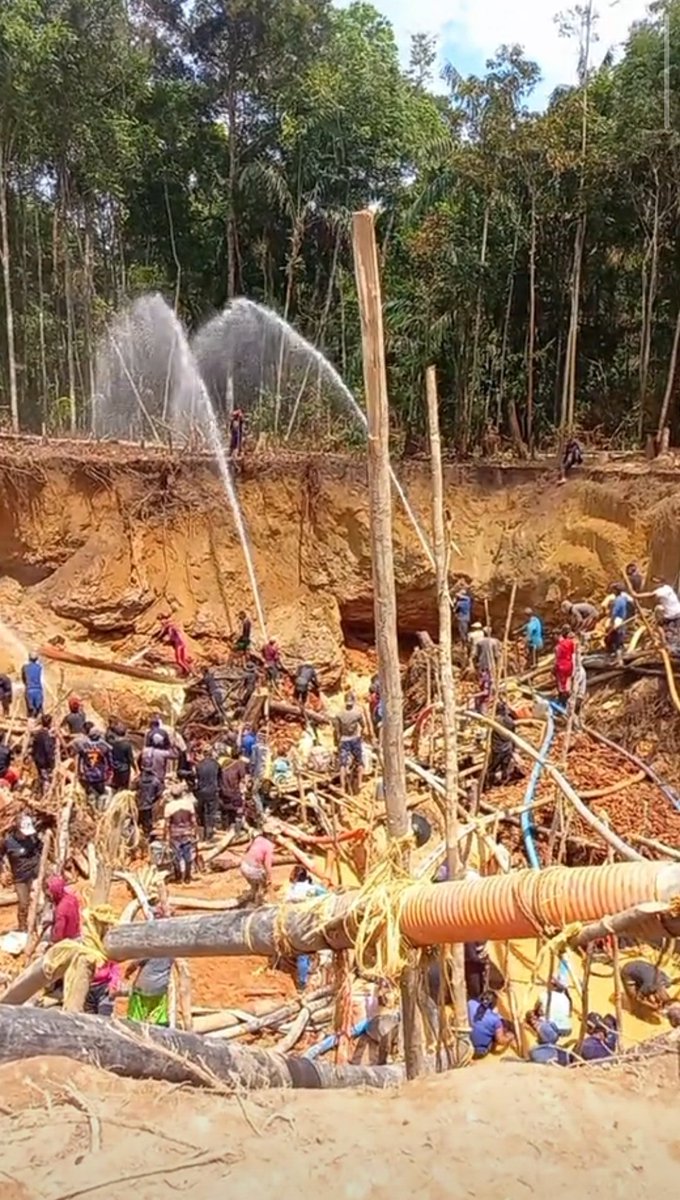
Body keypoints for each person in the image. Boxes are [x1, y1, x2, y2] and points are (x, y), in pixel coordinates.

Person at [0, 813, 42, 931]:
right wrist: (2, 872)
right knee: (24, 904)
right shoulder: (8, 842)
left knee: (38, 902)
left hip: (35, 874)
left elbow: (41, 849)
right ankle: (23, 927)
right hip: (20, 877)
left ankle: (37, 926)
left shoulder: (33, 838)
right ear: (18, 830)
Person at [163, 782, 197, 884]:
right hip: (187, 832)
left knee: (176, 856)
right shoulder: (189, 804)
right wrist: (195, 832)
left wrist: (166, 836)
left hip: (175, 834)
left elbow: (167, 824)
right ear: (182, 793)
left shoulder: (169, 806)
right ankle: (187, 876)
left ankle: (178, 877)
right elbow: (194, 820)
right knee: (188, 854)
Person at [334, 691, 366, 794]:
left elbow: (337, 731)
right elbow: (363, 726)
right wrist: (361, 736)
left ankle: (343, 787)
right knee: (359, 761)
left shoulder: (339, 715)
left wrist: (338, 743)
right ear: (353, 701)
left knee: (343, 764)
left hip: (344, 740)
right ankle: (360, 783)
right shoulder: (357, 713)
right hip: (355, 739)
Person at [467, 991, 513, 1058]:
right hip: (478, 1051)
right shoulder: (495, 1019)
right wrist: (509, 1038)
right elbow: (500, 1040)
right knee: (496, 1029)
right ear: (494, 1004)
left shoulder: (470, 1003)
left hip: (466, 1045)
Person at [77, 728, 112, 806]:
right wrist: (110, 770)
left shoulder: (84, 745)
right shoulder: (103, 745)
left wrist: (79, 771)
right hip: (100, 774)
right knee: (101, 794)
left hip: (88, 774)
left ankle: (91, 812)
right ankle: (99, 812)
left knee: (90, 794)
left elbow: (79, 758)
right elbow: (109, 758)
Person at [486, 701, 516, 788]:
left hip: (497, 748)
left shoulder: (495, 721)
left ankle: (489, 785)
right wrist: (513, 748)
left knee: (491, 768)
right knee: (504, 767)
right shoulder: (511, 721)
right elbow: (513, 736)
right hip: (507, 747)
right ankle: (504, 782)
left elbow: (488, 733)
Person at [240, 832, 275, 905]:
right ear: (269, 835)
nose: (275, 838)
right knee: (262, 883)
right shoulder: (269, 846)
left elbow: (247, 848)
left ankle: (252, 893)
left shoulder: (258, 838)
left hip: (243, 865)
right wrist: (269, 878)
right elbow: (267, 864)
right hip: (251, 870)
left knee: (254, 883)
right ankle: (258, 902)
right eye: (274, 836)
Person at [133, 754, 163, 838]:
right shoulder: (155, 780)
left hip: (138, 805)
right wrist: (153, 800)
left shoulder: (138, 780)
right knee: (148, 825)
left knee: (136, 824)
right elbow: (159, 793)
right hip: (149, 805)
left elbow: (133, 789)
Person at [45, 875, 81, 944]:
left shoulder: (61, 909)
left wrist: (53, 943)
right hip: (77, 935)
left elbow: (59, 933)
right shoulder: (72, 898)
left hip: (67, 940)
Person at [195, 747, 220, 841]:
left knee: (202, 812)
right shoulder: (216, 764)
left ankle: (204, 832)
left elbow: (197, 778)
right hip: (212, 791)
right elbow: (219, 777)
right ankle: (209, 832)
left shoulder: (199, 765)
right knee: (211, 813)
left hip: (201, 791)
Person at [220, 752, 250, 830]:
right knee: (238, 811)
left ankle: (227, 828)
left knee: (227, 811)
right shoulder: (239, 764)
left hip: (223, 791)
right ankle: (237, 829)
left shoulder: (224, 763)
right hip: (234, 792)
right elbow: (243, 778)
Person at [31, 713, 57, 794]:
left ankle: (41, 792)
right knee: (46, 779)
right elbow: (48, 749)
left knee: (41, 777)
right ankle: (45, 795)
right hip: (44, 761)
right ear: (49, 723)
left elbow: (33, 747)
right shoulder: (46, 736)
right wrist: (51, 761)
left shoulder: (37, 734)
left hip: (38, 759)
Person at [108, 721, 135, 791]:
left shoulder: (112, 743)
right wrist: (136, 769)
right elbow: (130, 758)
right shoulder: (127, 745)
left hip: (116, 768)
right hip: (125, 769)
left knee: (116, 785)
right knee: (124, 788)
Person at [554, 626, 576, 705]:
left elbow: (557, 658)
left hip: (561, 666)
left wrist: (554, 668)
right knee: (568, 684)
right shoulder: (571, 643)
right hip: (569, 665)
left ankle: (562, 703)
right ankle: (567, 703)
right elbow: (573, 655)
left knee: (561, 686)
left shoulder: (558, 646)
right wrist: (574, 667)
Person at [21, 652, 44, 718]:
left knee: (30, 710)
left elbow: (23, 678)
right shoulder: (39, 667)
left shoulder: (25, 667)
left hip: (29, 690)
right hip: (38, 690)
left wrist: (26, 684)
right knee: (39, 710)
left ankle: (30, 725)